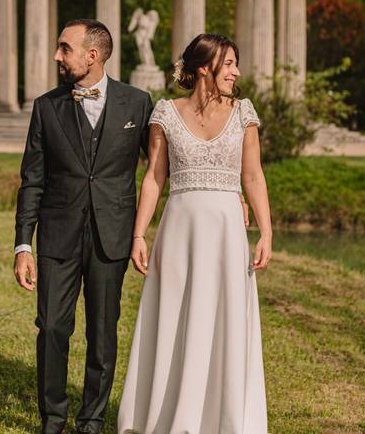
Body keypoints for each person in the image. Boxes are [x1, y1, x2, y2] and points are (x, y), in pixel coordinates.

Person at [117, 33, 272, 434]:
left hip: (226, 233)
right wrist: (139, 235)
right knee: (175, 318)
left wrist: (266, 231)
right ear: (205, 66)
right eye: (230, 63)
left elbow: (253, 176)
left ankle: (223, 420)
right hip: (180, 230)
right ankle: (167, 418)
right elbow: (153, 177)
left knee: (224, 320)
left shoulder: (244, 113)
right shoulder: (166, 113)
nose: (237, 72)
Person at [13, 19, 154, 434]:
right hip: (58, 236)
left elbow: (161, 168)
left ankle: (91, 420)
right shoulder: (45, 106)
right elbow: (32, 180)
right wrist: (24, 244)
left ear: (92, 55)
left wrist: (222, 189)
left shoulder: (138, 103)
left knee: (102, 334)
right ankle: (52, 420)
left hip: (112, 235)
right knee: (53, 327)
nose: (57, 56)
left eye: (64, 48)